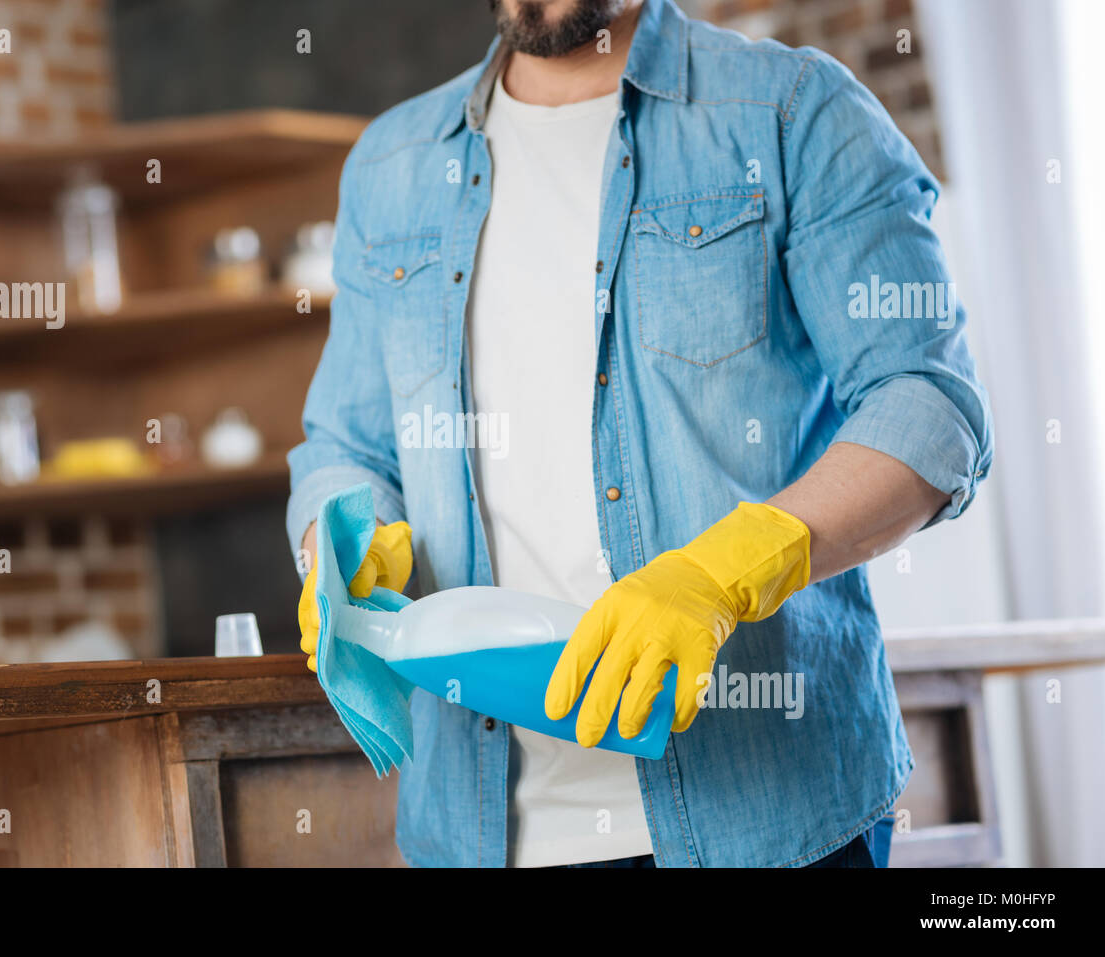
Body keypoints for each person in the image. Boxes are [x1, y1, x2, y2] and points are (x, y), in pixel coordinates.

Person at [287, 0, 993, 867]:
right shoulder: (391, 167)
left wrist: (723, 571)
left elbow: (928, 401)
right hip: (475, 835)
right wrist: (339, 541)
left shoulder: (794, 112)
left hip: (769, 821)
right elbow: (344, 445)